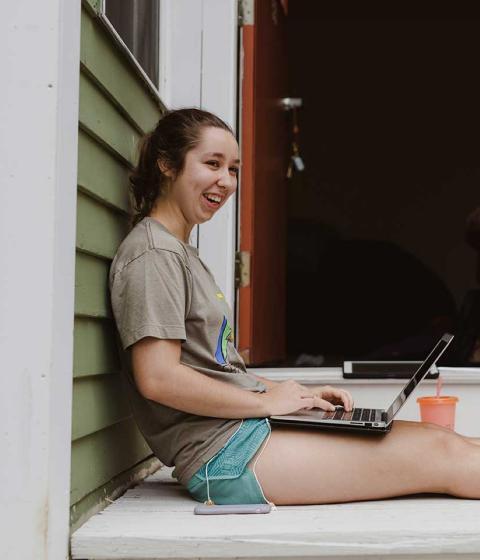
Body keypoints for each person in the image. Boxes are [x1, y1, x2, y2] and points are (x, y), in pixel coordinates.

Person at [109, 108, 480, 506]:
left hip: (245, 430)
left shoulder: (179, 252)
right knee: (442, 456)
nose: (225, 180)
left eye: (233, 168)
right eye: (212, 164)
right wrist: (265, 401)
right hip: (224, 455)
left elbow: (212, 370)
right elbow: (158, 378)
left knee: (445, 440)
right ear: (167, 164)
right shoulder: (153, 255)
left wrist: (291, 393)